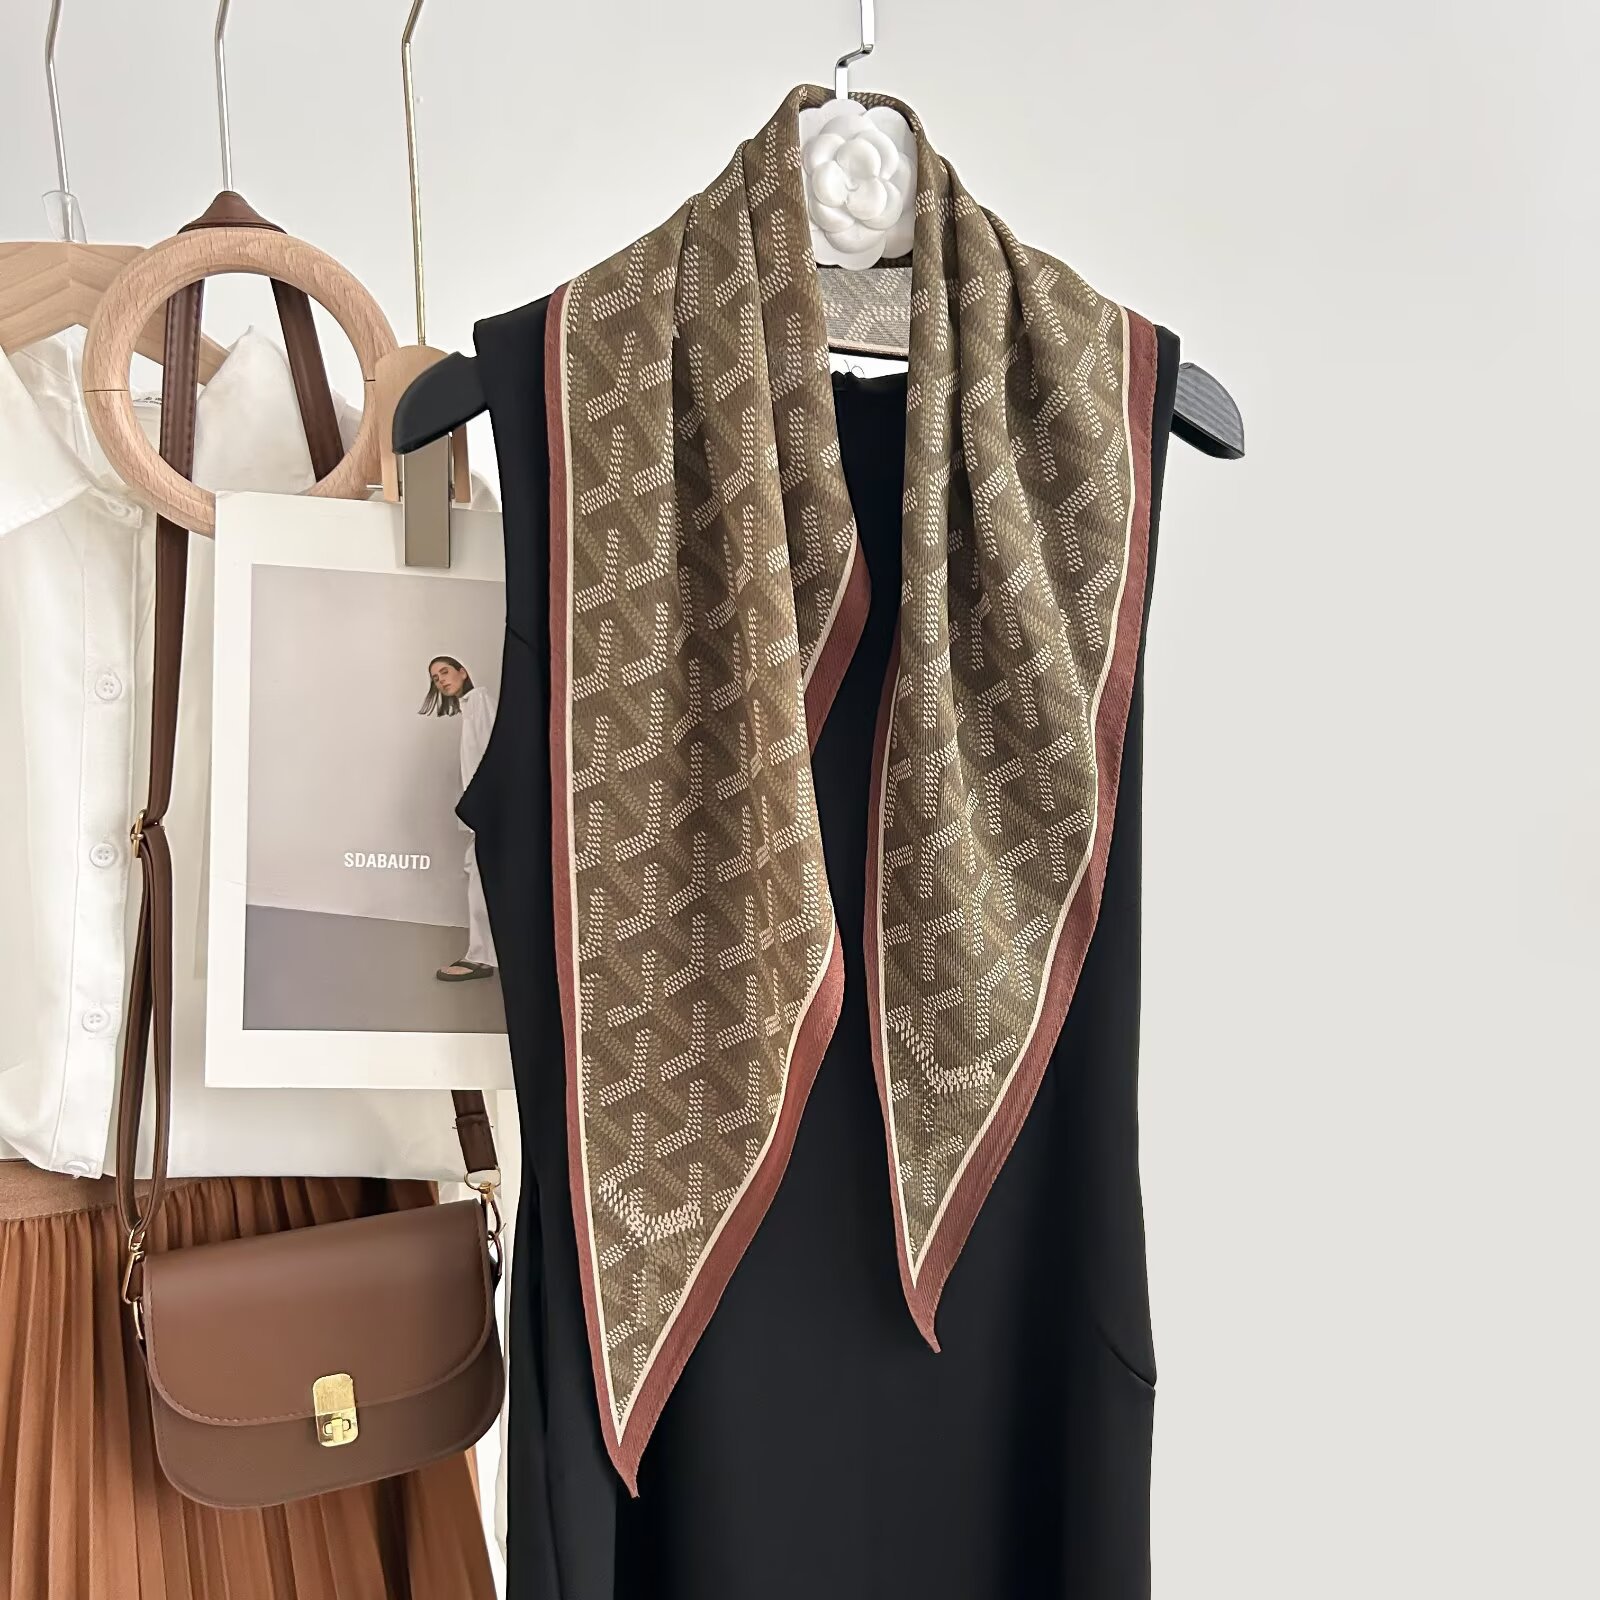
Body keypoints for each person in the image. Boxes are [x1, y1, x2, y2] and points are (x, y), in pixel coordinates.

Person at [420, 655, 499, 981]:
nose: (441, 680)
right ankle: (483, 955)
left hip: (490, 810)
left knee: (481, 881)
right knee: (478, 877)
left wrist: (487, 807)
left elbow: (495, 753)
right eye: (435, 678)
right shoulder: (469, 708)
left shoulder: (479, 700)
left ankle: (480, 958)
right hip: (483, 811)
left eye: (445, 672)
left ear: (463, 672)